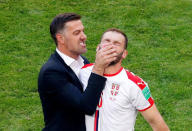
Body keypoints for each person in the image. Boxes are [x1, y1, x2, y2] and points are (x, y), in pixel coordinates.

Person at [38, 13, 118, 131]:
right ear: (61, 39)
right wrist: (98, 68)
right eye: (77, 33)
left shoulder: (83, 62)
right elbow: (86, 106)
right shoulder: (52, 72)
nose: (84, 36)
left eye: (83, 31)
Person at [79, 28, 170, 131]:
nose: (110, 46)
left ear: (124, 54)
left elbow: (159, 125)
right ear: (97, 48)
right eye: (107, 41)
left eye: (116, 44)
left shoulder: (134, 85)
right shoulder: (80, 73)